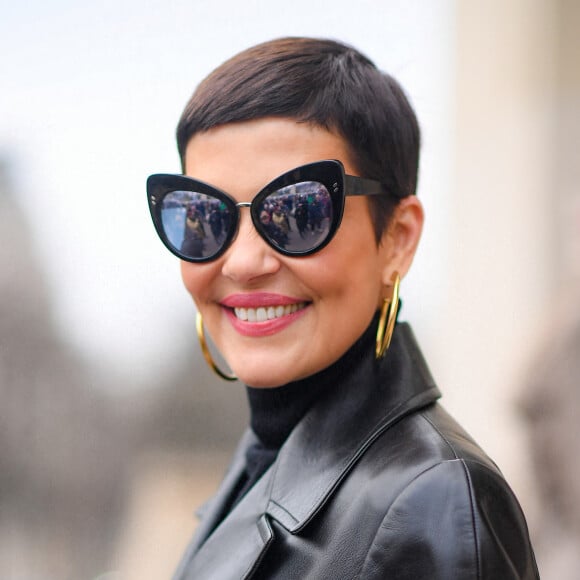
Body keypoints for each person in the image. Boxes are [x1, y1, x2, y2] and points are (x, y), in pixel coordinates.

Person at [146, 37, 539, 579]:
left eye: (297, 211)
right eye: (204, 216)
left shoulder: (435, 502)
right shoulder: (267, 455)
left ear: (397, 238)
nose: (241, 262)